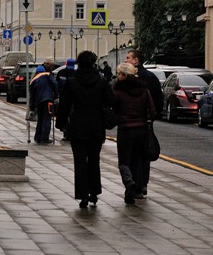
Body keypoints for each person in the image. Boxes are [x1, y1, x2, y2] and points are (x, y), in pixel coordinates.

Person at [55, 50, 115, 209]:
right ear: (94, 63)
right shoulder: (102, 81)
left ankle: (82, 195)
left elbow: (64, 105)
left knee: (80, 161)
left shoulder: (72, 82)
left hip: (78, 125)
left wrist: (60, 123)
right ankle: (94, 193)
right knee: (94, 160)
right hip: (96, 125)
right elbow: (110, 101)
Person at [113, 62, 155, 204]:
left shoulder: (118, 91)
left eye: (119, 73)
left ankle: (129, 182)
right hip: (141, 130)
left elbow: (113, 108)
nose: (117, 76)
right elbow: (153, 111)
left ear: (125, 75)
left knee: (124, 162)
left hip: (125, 129)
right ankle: (134, 192)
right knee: (137, 161)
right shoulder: (144, 90)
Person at [125, 49, 163, 198]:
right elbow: (158, 101)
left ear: (136, 61)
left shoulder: (129, 78)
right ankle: (143, 184)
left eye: (128, 58)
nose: (126, 60)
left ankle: (135, 184)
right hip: (146, 122)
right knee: (144, 154)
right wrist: (152, 117)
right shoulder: (151, 77)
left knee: (131, 155)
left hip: (131, 123)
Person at [29, 63, 57, 144]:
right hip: (48, 100)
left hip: (39, 103)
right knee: (47, 119)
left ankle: (38, 137)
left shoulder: (33, 81)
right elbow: (55, 84)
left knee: (40, 119)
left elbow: (32, 97)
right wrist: (55, 96)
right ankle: (45, 138)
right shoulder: (48, 75)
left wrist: (32, 108)